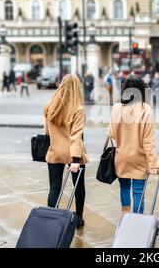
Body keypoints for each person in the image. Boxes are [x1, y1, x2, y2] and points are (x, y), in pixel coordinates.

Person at [108, 75, 159, 214]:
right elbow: (149, 140)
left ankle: (125, 218)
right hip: (139, 158)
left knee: (124, 188)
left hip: (121, 157)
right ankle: (136, 223)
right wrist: (153, 164)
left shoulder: (117, 107)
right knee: (138, 193)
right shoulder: (145, 109)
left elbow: (111, 133)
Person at [43, 74, 89, 229]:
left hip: (55, 151)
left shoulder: (50, 105)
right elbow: (76, 136)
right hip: (72, 154)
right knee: (79, 187)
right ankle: (79, 217)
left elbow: (46, 131)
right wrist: (75, 159)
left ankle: (51, 218)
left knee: (54, 187)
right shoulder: (78, 109)